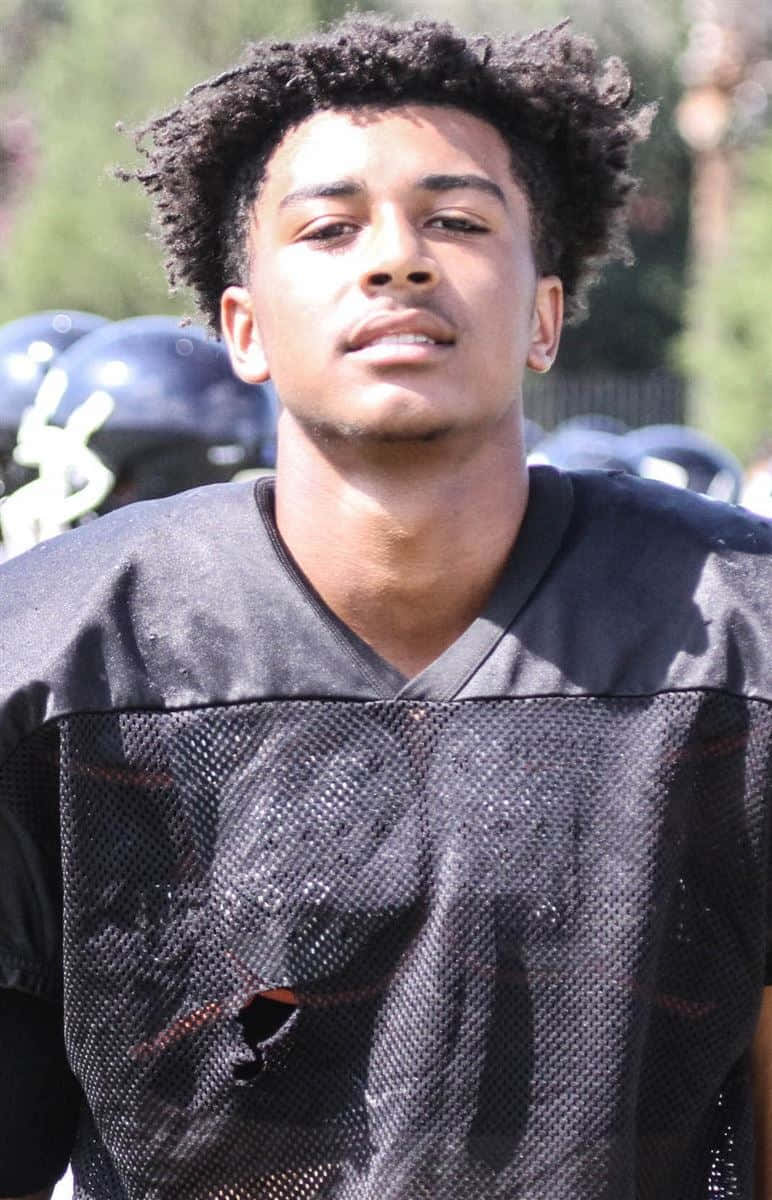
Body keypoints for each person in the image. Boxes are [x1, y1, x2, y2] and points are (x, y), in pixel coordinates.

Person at [1, 14, 771, 1200]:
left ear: (546, 318)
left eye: (457, 221)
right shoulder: (49, 654)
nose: (397, 259)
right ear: (242, 328)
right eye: (328, 227)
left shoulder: (746, 640)